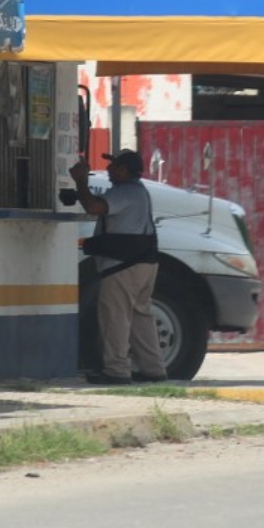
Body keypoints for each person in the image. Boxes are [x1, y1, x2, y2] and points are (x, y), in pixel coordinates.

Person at [68, 149, 167, 385]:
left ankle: (116, 370)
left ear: (124, 170)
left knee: (115, 317)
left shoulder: (125, 192)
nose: (110, 170)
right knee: (140, 317)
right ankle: (153, 369)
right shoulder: (139, 192)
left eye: (114, 166)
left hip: (122, 266)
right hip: (144, 263)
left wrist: (81, 181)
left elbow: (94, 207)